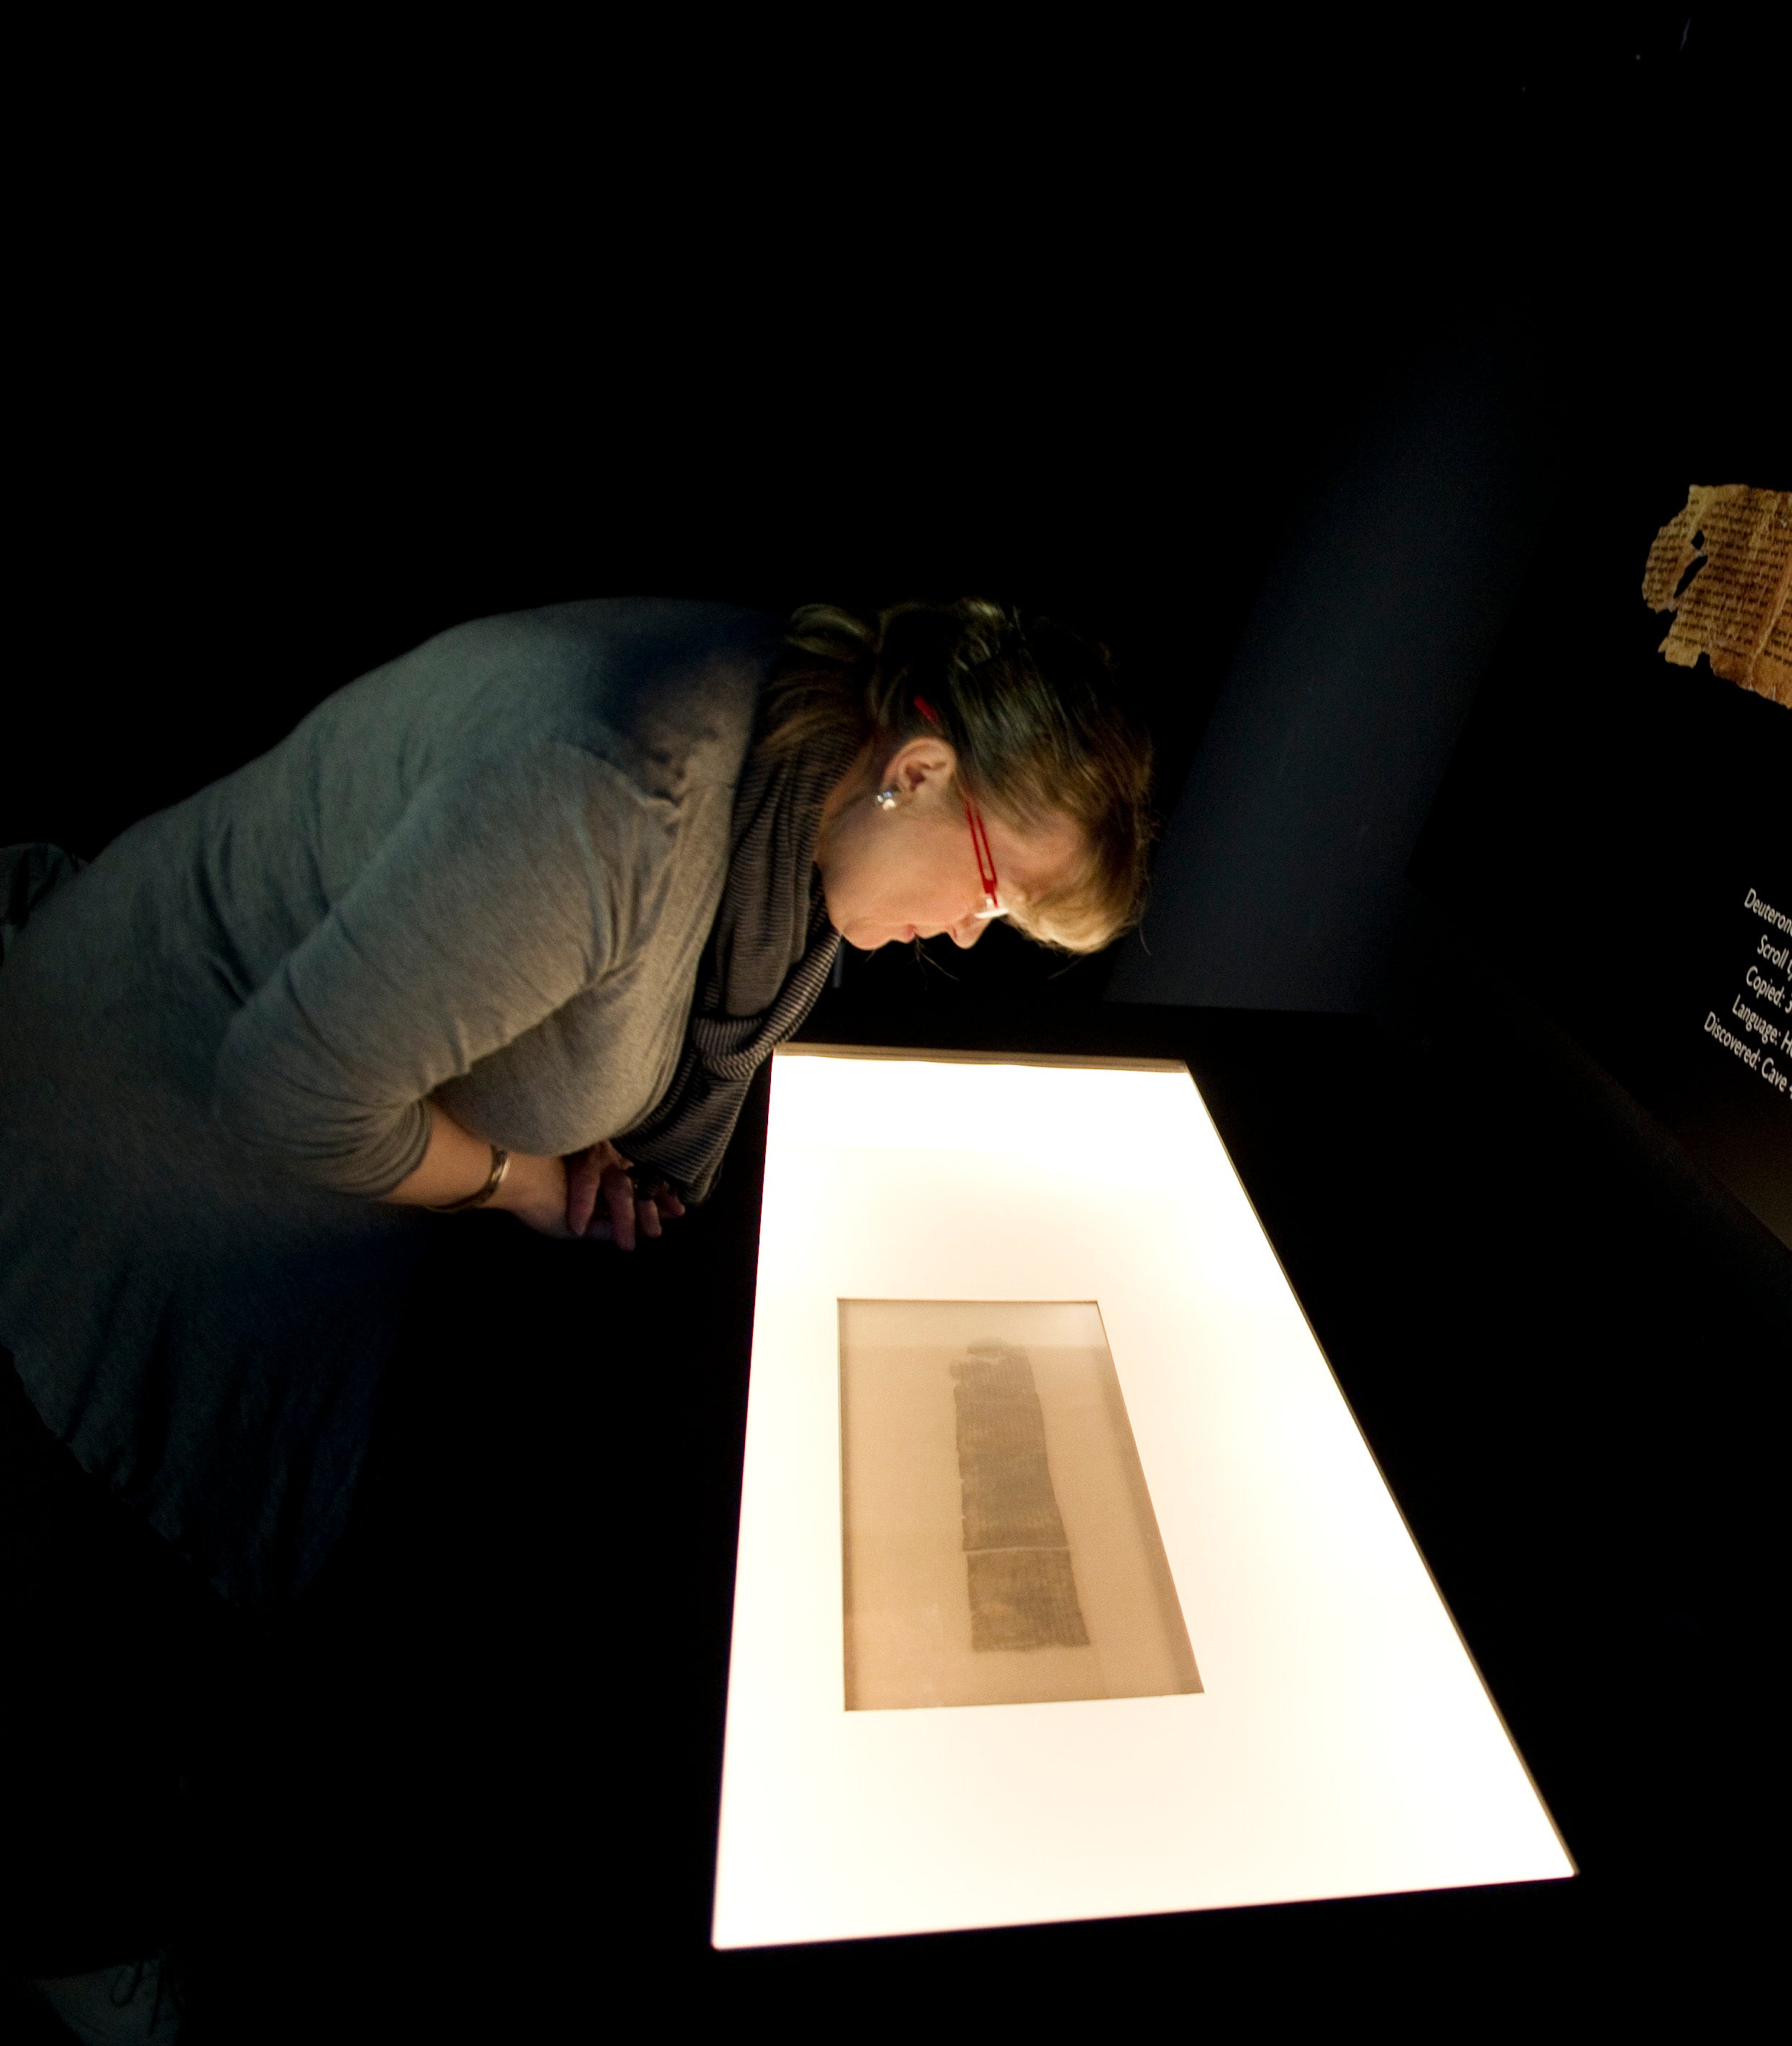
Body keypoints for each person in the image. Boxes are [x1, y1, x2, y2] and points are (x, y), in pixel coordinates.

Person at [0, 597, 1153, 2031]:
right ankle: (89, 1925)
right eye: (989, 892)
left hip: (326, 1146)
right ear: (918, 771)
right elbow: (288, 1097)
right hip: (152, 1130)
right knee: (174, 1582)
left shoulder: (787, 788)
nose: (970, 939)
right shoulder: (617, 794)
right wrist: (519, 1179)